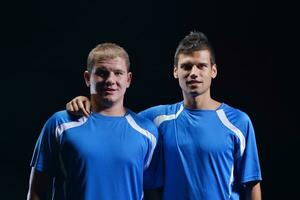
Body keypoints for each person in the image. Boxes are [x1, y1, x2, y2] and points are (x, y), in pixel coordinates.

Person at [66, 31, 262, 199]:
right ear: (176, 71)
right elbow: (114, 114)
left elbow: (251, 184)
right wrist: (86, 101)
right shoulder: (156, 119)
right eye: (186, 66)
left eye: (201, 66)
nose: (193, 73)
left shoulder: (238, 122)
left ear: (213, 71)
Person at [27, 43, 162, 200]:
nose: (110, 80)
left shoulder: (147, 131)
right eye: (102, 73)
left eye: (118, 73)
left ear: (128, 79)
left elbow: (152, 191)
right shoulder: (60, 124)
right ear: (87, 78)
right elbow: (36, 191)